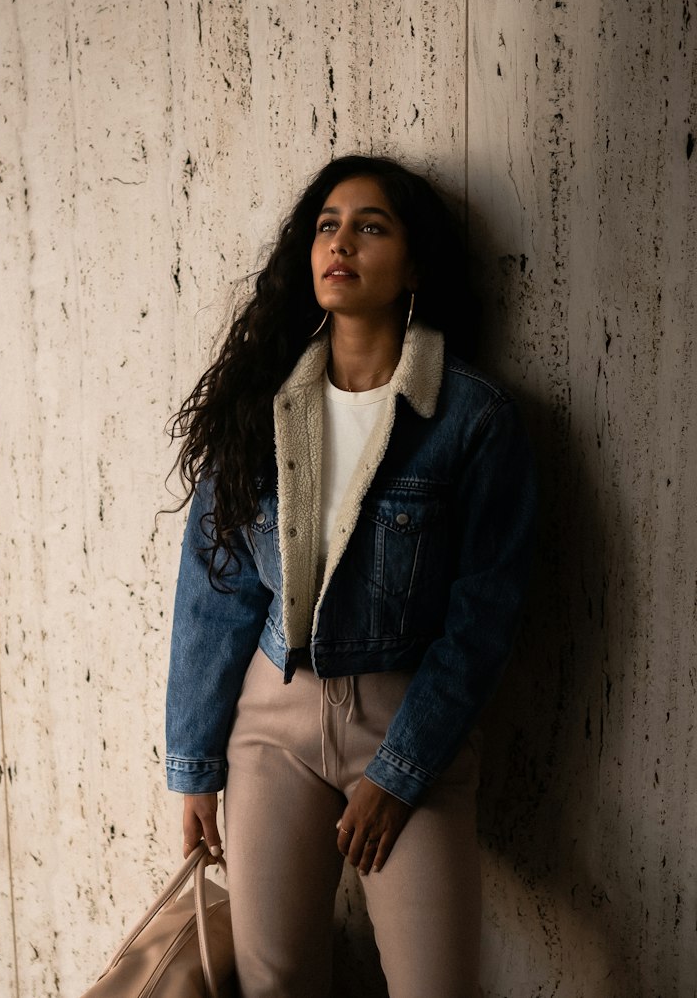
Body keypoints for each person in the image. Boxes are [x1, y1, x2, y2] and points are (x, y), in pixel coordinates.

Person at [164, 155, 536, 998]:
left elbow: (486, 615)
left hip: (410, 724)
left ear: (414, 266)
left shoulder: (474, 420)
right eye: (327, 225)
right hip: (272, 723)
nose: (342, 242)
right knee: (276, 982)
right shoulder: (260, 403)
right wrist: (194, 769)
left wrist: (400, 773)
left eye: (371, 226)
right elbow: (214, 590)